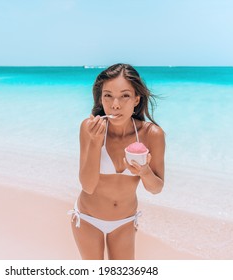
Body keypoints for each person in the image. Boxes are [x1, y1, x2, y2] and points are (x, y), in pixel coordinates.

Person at [69, 63, 165, 260]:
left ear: (137, 99)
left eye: (125, 96)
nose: (115, 104)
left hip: (125, 222)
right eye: (108, 95)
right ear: (100, 98)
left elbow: (156, 188)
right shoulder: (90, 127)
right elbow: (87, 186)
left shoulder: (151, 134)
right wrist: (95, 144)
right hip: (88, 219)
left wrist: (144, 171)